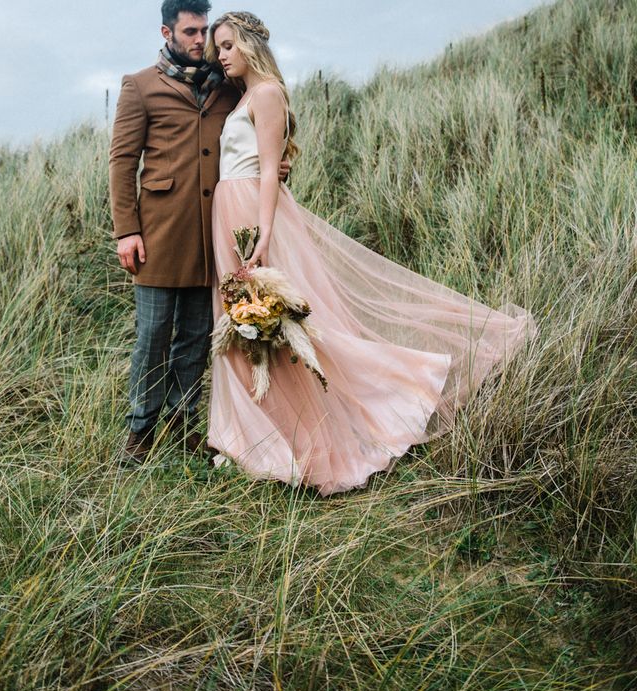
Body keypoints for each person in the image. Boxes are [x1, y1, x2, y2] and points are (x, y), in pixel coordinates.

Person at [205, 12, 536, 496]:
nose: (222, 54)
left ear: (250, 45)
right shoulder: (247, 97)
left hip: (251, 219)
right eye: (219, 47)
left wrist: (264, 234)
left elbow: (271, 170)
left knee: (288, 326)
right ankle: (254, 438)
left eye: (229, 44)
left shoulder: (269, 94)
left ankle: (403, 387)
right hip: (229, 216)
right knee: (245, 327)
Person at [109, 0, 240, 465]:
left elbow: (258, 132)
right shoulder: (141, 86)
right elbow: (122, 162)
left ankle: (182, 425)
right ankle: (139, 432)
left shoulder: (227, 87)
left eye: (204, 30)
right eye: (190, 31)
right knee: (153, 335)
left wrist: (279, 164)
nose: (200, 40)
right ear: (168, 32)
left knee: (197, 336)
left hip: (212, 235)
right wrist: (127, 230)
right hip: (159, 234)